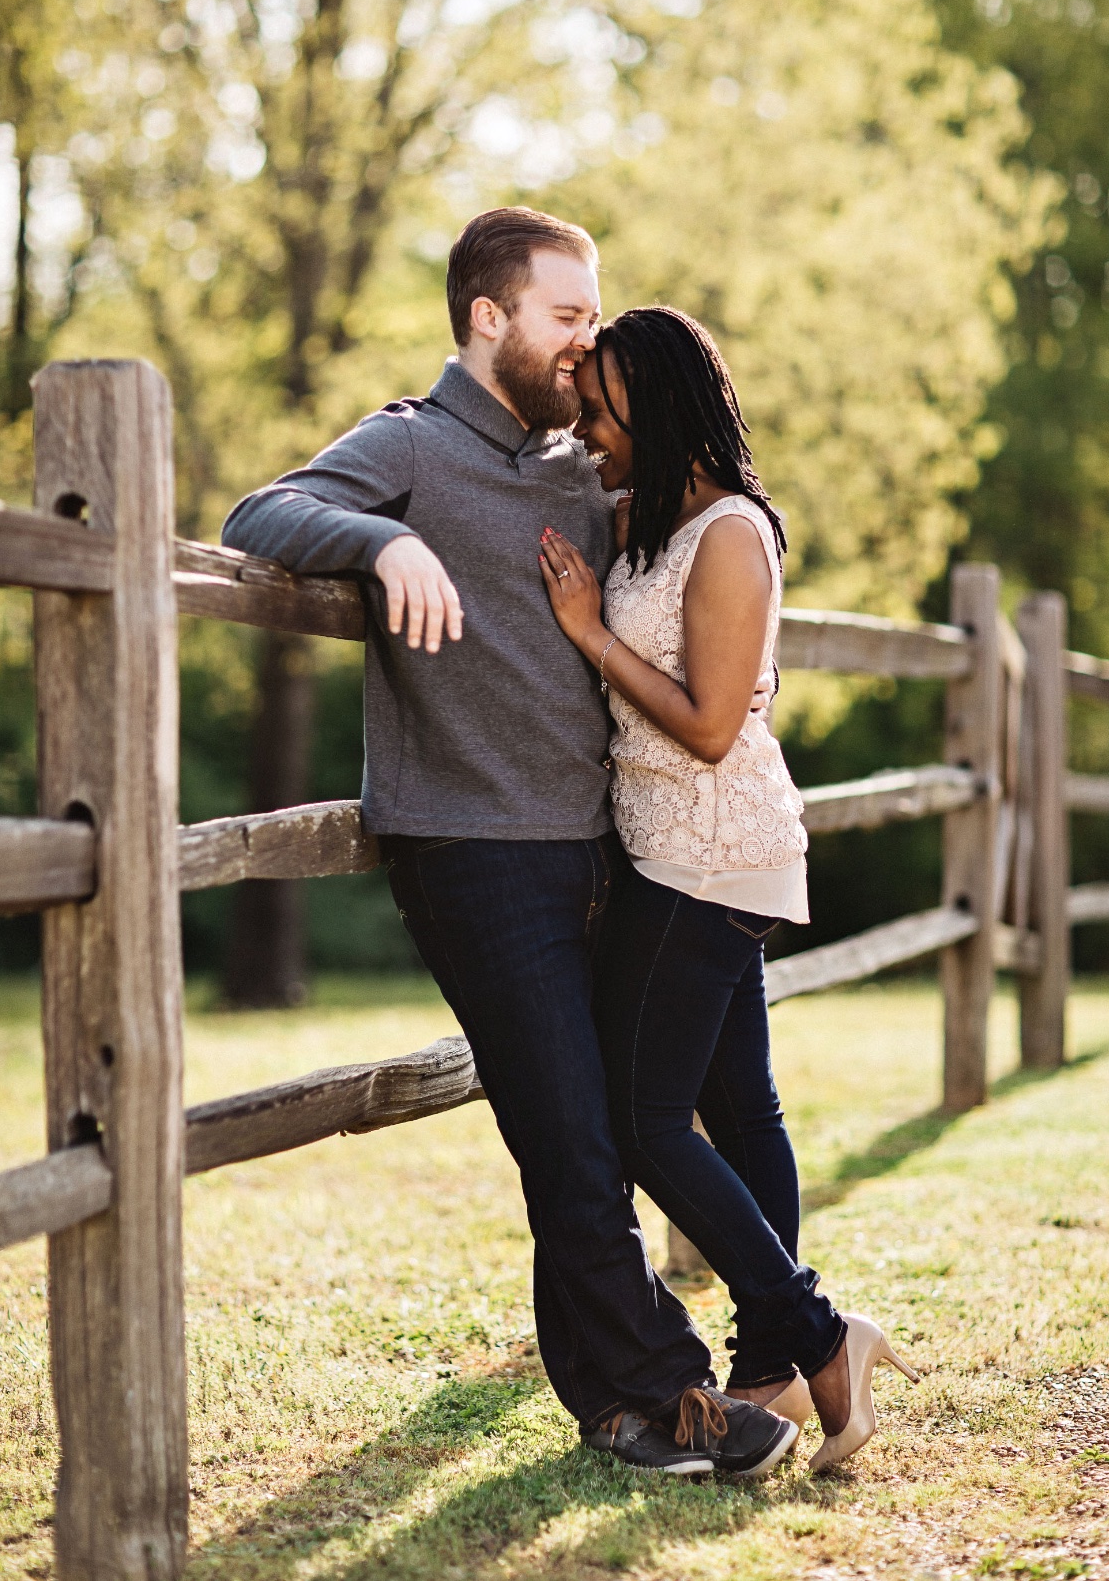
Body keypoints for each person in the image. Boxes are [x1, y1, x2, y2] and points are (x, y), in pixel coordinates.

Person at [221, 208, 798, 1479]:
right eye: (566, 314)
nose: (585, 340)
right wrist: (386, 537)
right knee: (579, 1142)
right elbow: (261, 511)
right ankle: (668, 1394)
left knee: (590, 1128)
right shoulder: (411, 445)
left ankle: (628, 1403)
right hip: (473, 850)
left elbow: (705, 559)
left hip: (608, 850)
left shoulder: (582, 464)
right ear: (490, 317)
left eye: (590, 316)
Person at [539, 306, 920, 1473]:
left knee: (648, 1125)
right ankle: (769, 1366)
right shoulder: (648, 518)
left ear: (654, 410)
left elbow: (709, 724)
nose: (583, 429)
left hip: (708, 853)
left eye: (599, 409)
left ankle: (813, 1330)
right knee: (741, 1110)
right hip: (680, 848)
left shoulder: (731, 537)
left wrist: (589, 634)